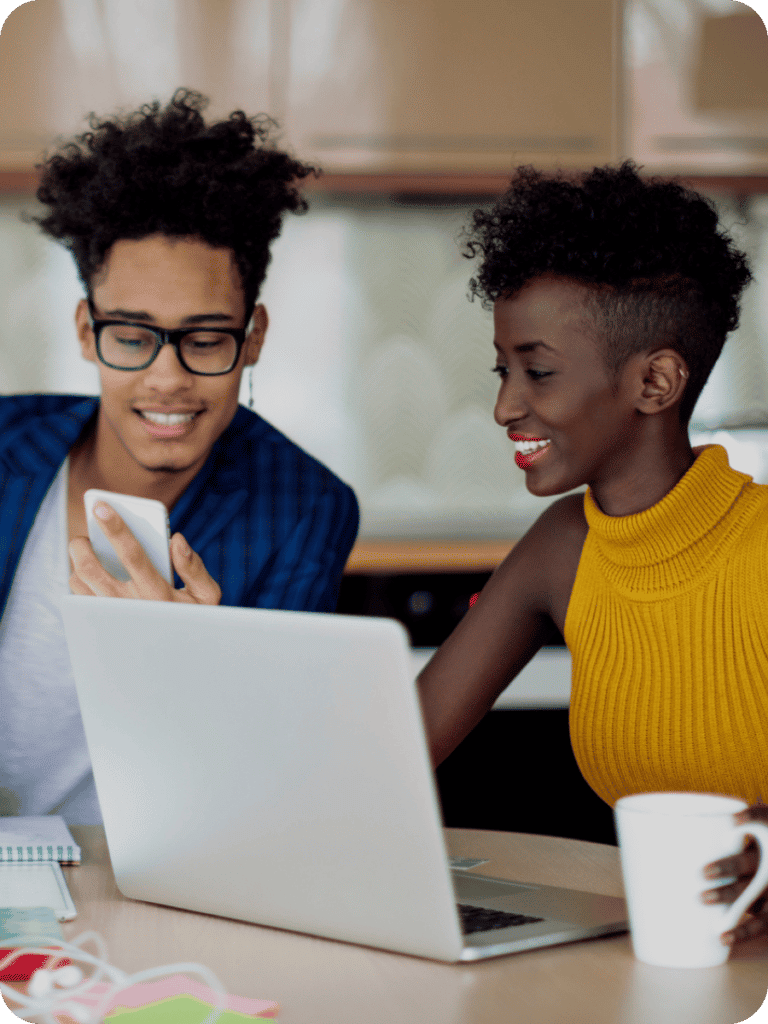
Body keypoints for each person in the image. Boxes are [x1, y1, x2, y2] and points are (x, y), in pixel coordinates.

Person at [415, 161, 768, 950]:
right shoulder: (562, 548)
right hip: (669, 954)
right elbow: (398, 749)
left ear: (655, 382)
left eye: (537, 371)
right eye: (504, 370)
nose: (506, 405)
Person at [0, 89, 358, 823]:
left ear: (252, 336)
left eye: (204, 339)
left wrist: (185, 670)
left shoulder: (304, 509)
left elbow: (274, 784)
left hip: (156, 882)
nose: (167, 377)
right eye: (131, 337)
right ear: (84, 328)